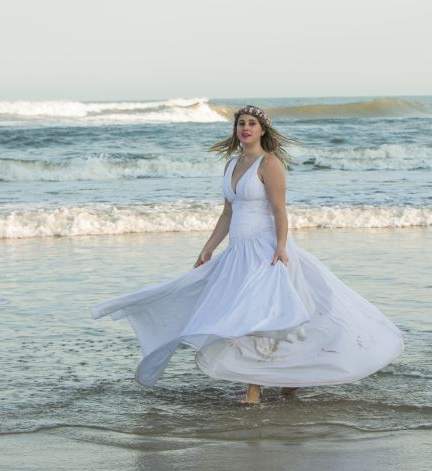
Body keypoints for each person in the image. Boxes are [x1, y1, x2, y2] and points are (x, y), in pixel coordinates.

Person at [91, 105, 405, 405]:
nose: (245, 128)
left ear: (262, 129)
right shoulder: (231, 164)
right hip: (237, 254)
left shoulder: (269, 163)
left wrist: (281, 247)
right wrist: (209, 246)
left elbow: (280, 210)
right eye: (241, 124)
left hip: (265, 252)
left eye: (251, 124)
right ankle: (291, 376)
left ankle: (254, 389)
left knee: (255, 319)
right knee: (241, 314)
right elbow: (228, 212)